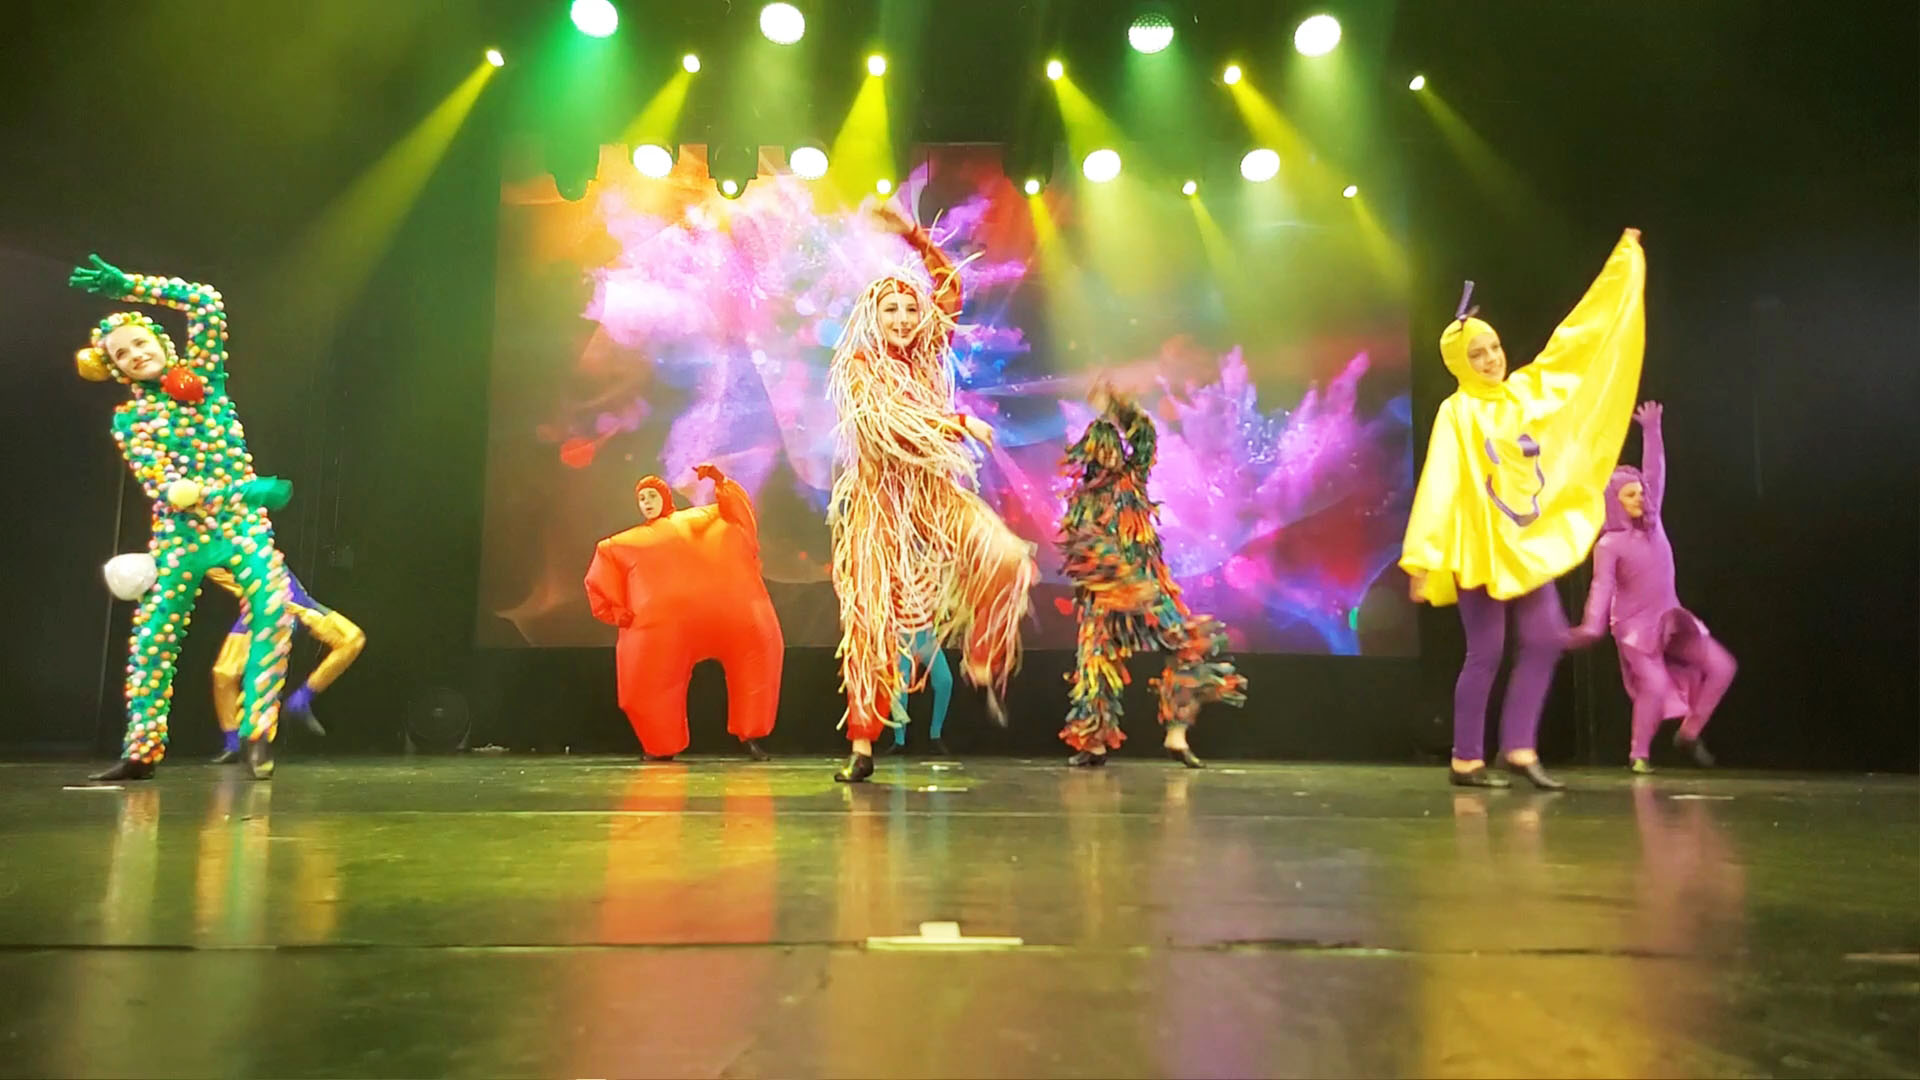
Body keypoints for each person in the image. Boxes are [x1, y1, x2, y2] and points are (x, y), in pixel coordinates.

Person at [1401, 229, 1647, 790]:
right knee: (1485, 652)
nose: (1490, 359)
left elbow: (1577, 347)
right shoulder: (1457, 411)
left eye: (1492, 348)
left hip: (1525, 546)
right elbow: (1440, 482)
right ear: (1459, 362)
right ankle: (1466, 758)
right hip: (1479, 549)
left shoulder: (1525, 393)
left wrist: (1622, 268)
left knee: (1545, 640)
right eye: (1476, 354)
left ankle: (1518, 747)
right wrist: (1422, 557)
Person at [826, 199, 1037, 783]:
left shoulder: (925, 352)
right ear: (874, 317)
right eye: (890, 309)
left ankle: (980, 658)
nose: (901, 318)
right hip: (879, 505)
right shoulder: (861, 365)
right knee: (872, 623)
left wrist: (916, 240)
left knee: (1006, 559)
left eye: (908, 308)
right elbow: (889, 424)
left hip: (931, 494)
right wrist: (956, 422)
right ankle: (862, 745)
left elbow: (949, 292)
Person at [71, 255, 297, 781]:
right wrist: (243, 490)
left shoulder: (204, 375)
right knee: (153, 640)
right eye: (121, 354)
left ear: (161, 342)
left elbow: (205, 301)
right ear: (116, 369)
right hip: (181, 538)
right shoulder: (131, 419)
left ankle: (256, 734)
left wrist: (128, 286)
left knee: (274, 610)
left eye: (140, 342)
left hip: (242, 531)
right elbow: (168, 488)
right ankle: (141, 751)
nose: (135, 354)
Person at [1058, 382, 1246, 768]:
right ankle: (1093, 743)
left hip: (1149, 589)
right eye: (1102, 449)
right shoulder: (1084, 501)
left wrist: (1119, 407)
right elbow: (1084, 547)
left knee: (1189, 644)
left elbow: (1144, 436)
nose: (1110, 455)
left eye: (1114, 446)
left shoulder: (1133, 478)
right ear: (1091, 454)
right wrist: (1122, 582)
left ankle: (1176, 735)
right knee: (1095, 663)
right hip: (1109, 597)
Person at [1568, 402, 1736, 772]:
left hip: (1669, 618)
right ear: (1614, 502)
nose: (1640, 498)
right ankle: (1639, 754)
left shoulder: (1653, 523)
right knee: (1655, 687)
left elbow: (1655, 473)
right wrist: (1591, 625)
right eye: (1630, 495)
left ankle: (1689, 733)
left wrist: (1651, 430)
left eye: (1640, 493)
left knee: (1722, 667)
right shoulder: (1609, 544)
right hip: (1634, 628)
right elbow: (1601, 587)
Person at [585, 463, 782, 761]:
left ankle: (752, 735)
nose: (647, 502)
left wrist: (720, 481)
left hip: (736, 617)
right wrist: (616, 611)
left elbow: (740, 515)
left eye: (652, 496)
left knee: (758, 662)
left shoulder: (707, 521)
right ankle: (661, 744)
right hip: (666, 630)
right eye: (642, 498)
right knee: (645, 682)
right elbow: (600, 579)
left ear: (665, 497)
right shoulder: (623, 544)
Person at [207, 567, 365, 763]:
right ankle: (234, 743)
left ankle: (300, 701)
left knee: (353, 639)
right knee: (224, 673)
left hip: (292, 600)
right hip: (263, 606)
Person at [884, 629, 954, 756]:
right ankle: (899, 740)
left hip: (927, 639)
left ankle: (936, 735)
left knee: (945, 681)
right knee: (899, 686)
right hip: (902, 640)